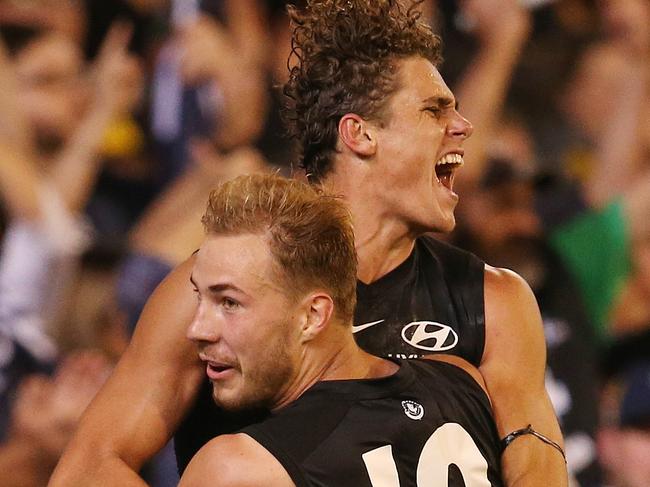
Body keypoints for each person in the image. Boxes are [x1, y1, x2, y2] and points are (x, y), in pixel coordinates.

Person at [50, 1, 566, 486]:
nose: (464, 125)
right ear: (359, 134)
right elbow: (89, 467)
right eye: (434, 110)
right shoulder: (214, 289)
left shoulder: (493, 300)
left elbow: (535, 450)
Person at [177, 173, 504, 486]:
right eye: (199, 296)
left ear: (312, 316)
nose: (197, 330)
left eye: (229, 303)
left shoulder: (236, 469)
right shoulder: (461, 381)